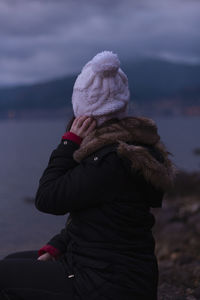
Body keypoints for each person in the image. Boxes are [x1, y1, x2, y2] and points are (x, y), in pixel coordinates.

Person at [0, 51, 177, 300]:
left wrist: (68, 143)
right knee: (13, 260)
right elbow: (100, 218)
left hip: (106, 283)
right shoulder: (131, 148)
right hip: (118, 273)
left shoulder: (110, 160)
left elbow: (47, 198)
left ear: (84, 110)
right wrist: (58, 246)